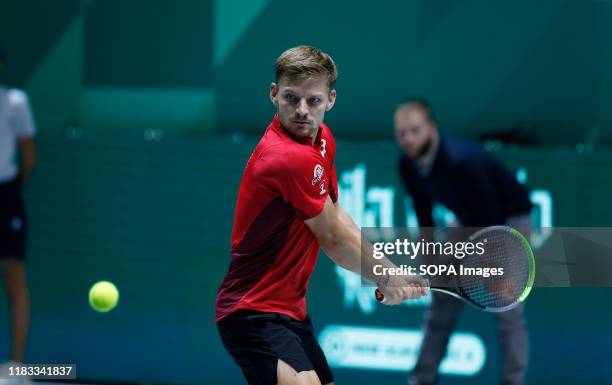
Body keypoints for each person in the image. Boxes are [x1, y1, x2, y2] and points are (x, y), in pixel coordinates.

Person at [216, 46, 428, 385]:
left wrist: (389, 272)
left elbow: (336, 216)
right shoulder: (285, 157)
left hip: (290, 312)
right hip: (251, 310)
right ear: (274, 94)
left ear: (330, 99)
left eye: (313, 101)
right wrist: (387, 277)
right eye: (291, 98)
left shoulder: (322, 140)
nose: (302, 111)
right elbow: (331, 239)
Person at [394, 98, 532, 385]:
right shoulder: (407, 165)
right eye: (402, 133)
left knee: (508, 310)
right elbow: (424, 214)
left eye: (415, 130)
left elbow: (491, 219)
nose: (408, 139)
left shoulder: (462, 162)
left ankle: (513, 381)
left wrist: (495, 269)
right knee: (440, 303)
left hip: (507, 222)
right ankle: (422, 379)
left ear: (431, 129)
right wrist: (430, 260)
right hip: (467, 220)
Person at [0, 45, 36, 365]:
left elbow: (28, 154)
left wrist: (12, 191)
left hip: (6, 194)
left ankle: (15, 365)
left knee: (14, 276)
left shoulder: (15, 101)